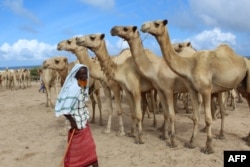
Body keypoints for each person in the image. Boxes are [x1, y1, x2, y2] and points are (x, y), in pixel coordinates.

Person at [55, 64, 99, 167]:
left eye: (85, 73)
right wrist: (73, 121)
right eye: (82, 73)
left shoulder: (82, 85)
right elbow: (65, 109)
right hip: (77, 127)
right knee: (77, 153)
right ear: (76, 74)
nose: (84, 76)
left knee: (91, 149)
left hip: (84, 123)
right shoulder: (73, 88)